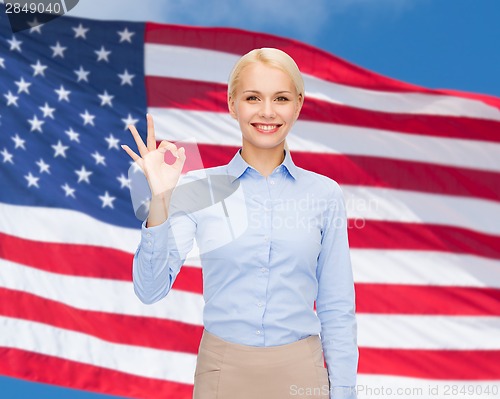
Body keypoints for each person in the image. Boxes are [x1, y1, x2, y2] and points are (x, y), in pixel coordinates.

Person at [121, 48, 358, 399]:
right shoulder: (197, 188)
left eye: (280, 98)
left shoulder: (324, 194)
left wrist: (344, 393)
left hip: (302, 375)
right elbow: (150, 290)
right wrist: (160, 202)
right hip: (222, 373)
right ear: (233, 104)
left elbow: (337, 307)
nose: (267, 111)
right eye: (252, 98)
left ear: (298, 104)